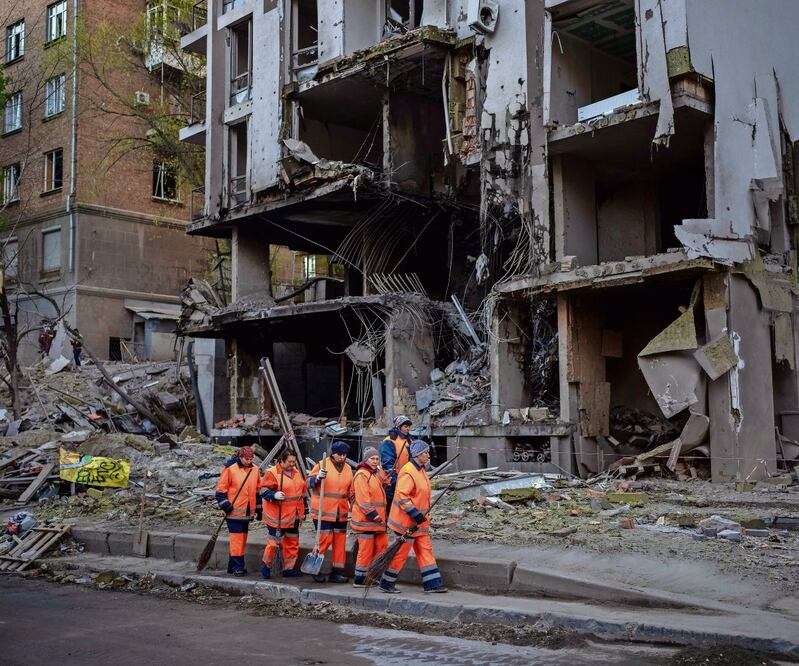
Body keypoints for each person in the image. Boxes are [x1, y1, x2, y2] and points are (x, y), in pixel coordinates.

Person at [379, 439, 447, 594]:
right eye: (425, 453)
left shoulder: (420, 470)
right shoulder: (409, 471)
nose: (428, 455)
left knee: (425, 551)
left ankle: (433, 584)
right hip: (406, 523)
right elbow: (402, 496)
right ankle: (386, 583)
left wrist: (420, 516)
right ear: (417, 455)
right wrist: (415, 514)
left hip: (420, 522)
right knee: (400, 554)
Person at [307, 440, 354, 583]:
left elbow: (350, 490)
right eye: (339, 454)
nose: (342, 457)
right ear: (333, 454)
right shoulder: (322, 465)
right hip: (324, 512)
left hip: (341, 513)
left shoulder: (347, 468)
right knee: (323, 541)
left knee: (339, 544)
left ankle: (337, 572)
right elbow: (307, 483)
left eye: (344, 455)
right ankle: (315, 569)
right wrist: (317, 478)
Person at [259, 449, 307, 578]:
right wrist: (273, 495)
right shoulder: (272, 473)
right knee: (274, 543)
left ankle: (288, 568)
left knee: (292, 542)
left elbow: (302, 493)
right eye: (290, 462)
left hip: (294, 516)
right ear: (282, 460)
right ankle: (266, 565)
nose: (292, 464)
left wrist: (303, 511)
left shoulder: (296, 473)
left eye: (294, 462)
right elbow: (263, 490)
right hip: (277, 517)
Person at [214, 446, 261, 576]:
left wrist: (259, 509)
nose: (249, 461)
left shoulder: (255, 470)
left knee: (242, 539)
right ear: (240, 457)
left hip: (247, 513)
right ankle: (238, 567)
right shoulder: (230, 469)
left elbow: (257, 491)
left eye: (251, 459)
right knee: (237, 540)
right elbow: (220, 490)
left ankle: (232, 566)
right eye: (247, 459)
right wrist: (225, 505)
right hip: (233, 512)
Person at [350, 446, 388, 587]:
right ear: (366, 460)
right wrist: (373, 515)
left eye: (377, 459)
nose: (375, 461)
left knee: (379, 547)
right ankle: (359, 579)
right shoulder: (362, 475)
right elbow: (363, 499)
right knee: (365, 551)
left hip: (376, 521)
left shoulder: (373, 474)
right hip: (367, 521)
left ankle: (372, 576)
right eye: (372, 458)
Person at [380, 415, 413, 508]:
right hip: (391, 481)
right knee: (390, 505)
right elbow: (387, 462)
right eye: (405, 427)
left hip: (404, 478)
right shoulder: (389, 441)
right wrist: (395, 480)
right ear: (399, 427)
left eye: (408, 427)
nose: (408, 429)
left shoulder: (409, 440)